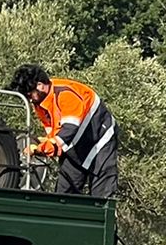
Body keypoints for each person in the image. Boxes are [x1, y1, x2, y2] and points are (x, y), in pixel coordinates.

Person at [9, 63, 118, 197]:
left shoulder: (65, 94)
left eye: (29, 94)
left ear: (40, 85)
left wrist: (42, 149)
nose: (29, 99)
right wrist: (44, 143)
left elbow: (68, 131)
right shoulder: (40, 103)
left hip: (100, 141)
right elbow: (53, 132)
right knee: (64, 195)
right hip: (74, 146)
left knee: (101, 196)